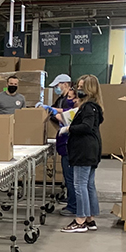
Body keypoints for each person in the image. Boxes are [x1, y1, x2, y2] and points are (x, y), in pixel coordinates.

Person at [59, 74, 104, 233]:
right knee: (88, 184)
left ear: (89, 89)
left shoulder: (88, 107)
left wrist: (68, 128)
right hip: (90, 150)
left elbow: (86, 126)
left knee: (79, 185)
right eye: (78, 86)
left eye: (81, 87)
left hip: (84, 151)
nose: (78, 89)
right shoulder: (92, 106)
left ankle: (80, 219)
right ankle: (90, 218)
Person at [48, 74, 79, 215]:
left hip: (69, 142)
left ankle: (73, 206)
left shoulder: (70, 102)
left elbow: (68, 117)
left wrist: (56, 113)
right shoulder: (61, 100)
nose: (56, 88)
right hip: (63, 141)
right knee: (68, 177)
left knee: (71, 176)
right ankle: (71, 199)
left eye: (57, 85)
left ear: (65, 84)